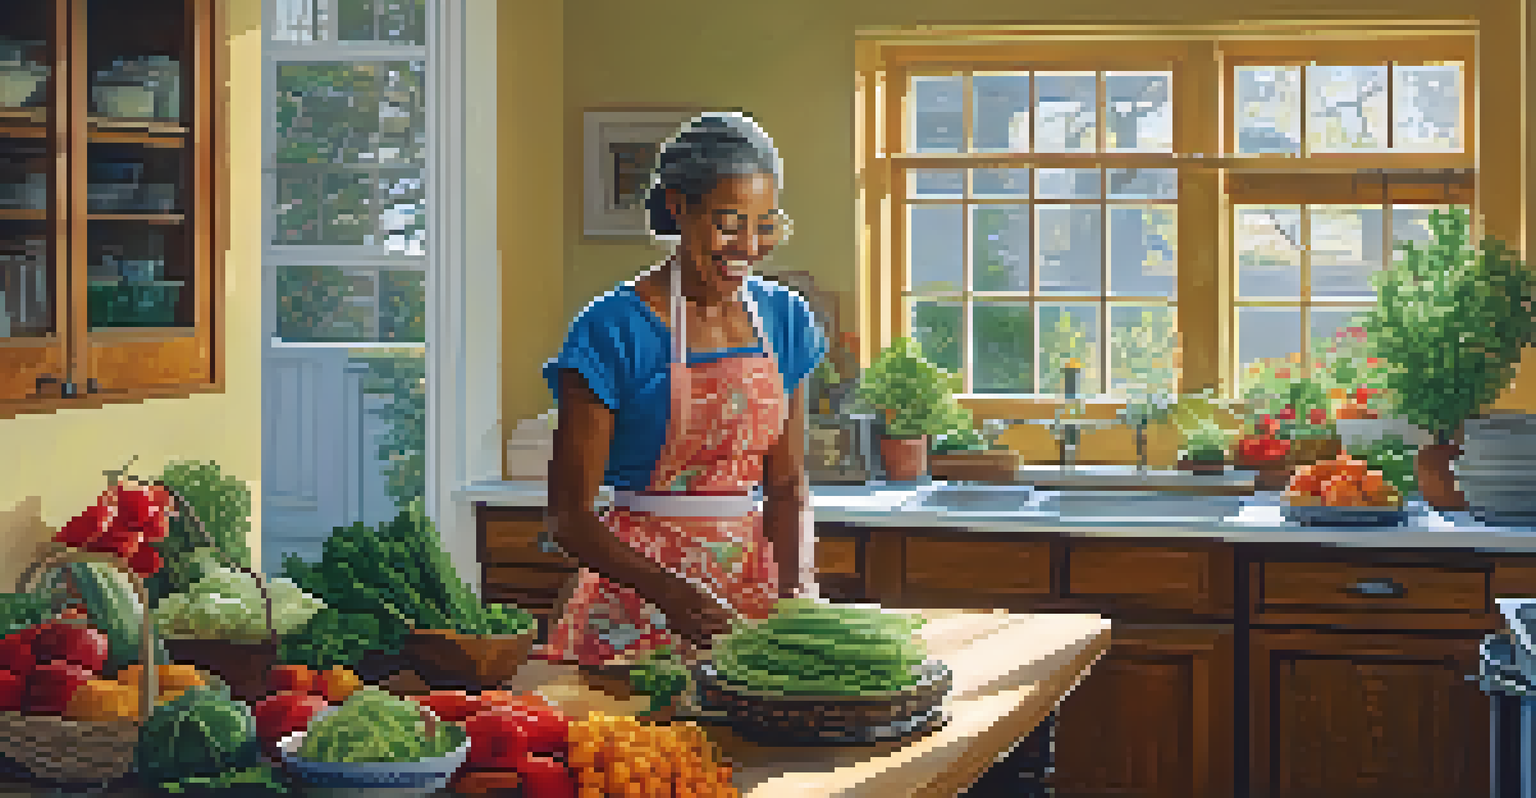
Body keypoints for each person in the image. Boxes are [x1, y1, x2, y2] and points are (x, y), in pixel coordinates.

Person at [541, 112, 828, 668]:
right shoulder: (611, 329)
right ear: (678, 207)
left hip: (750, 597)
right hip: (633, 604)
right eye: (729, 222)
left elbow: (788, 484)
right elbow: (568, 519)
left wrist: (797, 601)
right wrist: (672, 592)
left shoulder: (785, 319)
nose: (747, 244)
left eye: (765, 224)